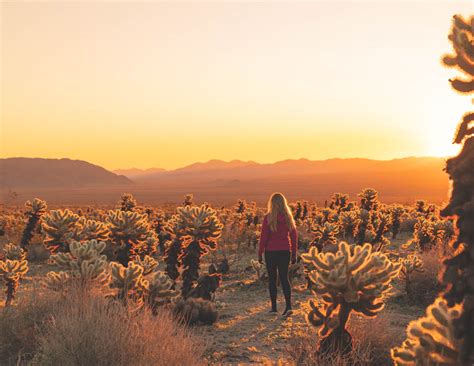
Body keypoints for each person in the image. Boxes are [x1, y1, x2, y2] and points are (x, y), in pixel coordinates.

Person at [258, 192, 298, 317]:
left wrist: (260, 253)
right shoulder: (288, 217)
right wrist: (294, 254)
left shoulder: (268, 217)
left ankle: (274, 308)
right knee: (284, 278)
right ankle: (288, 306)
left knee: (272, 279)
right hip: (285, 251)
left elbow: (263, 237)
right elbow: (294, 236)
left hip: (270, 252)